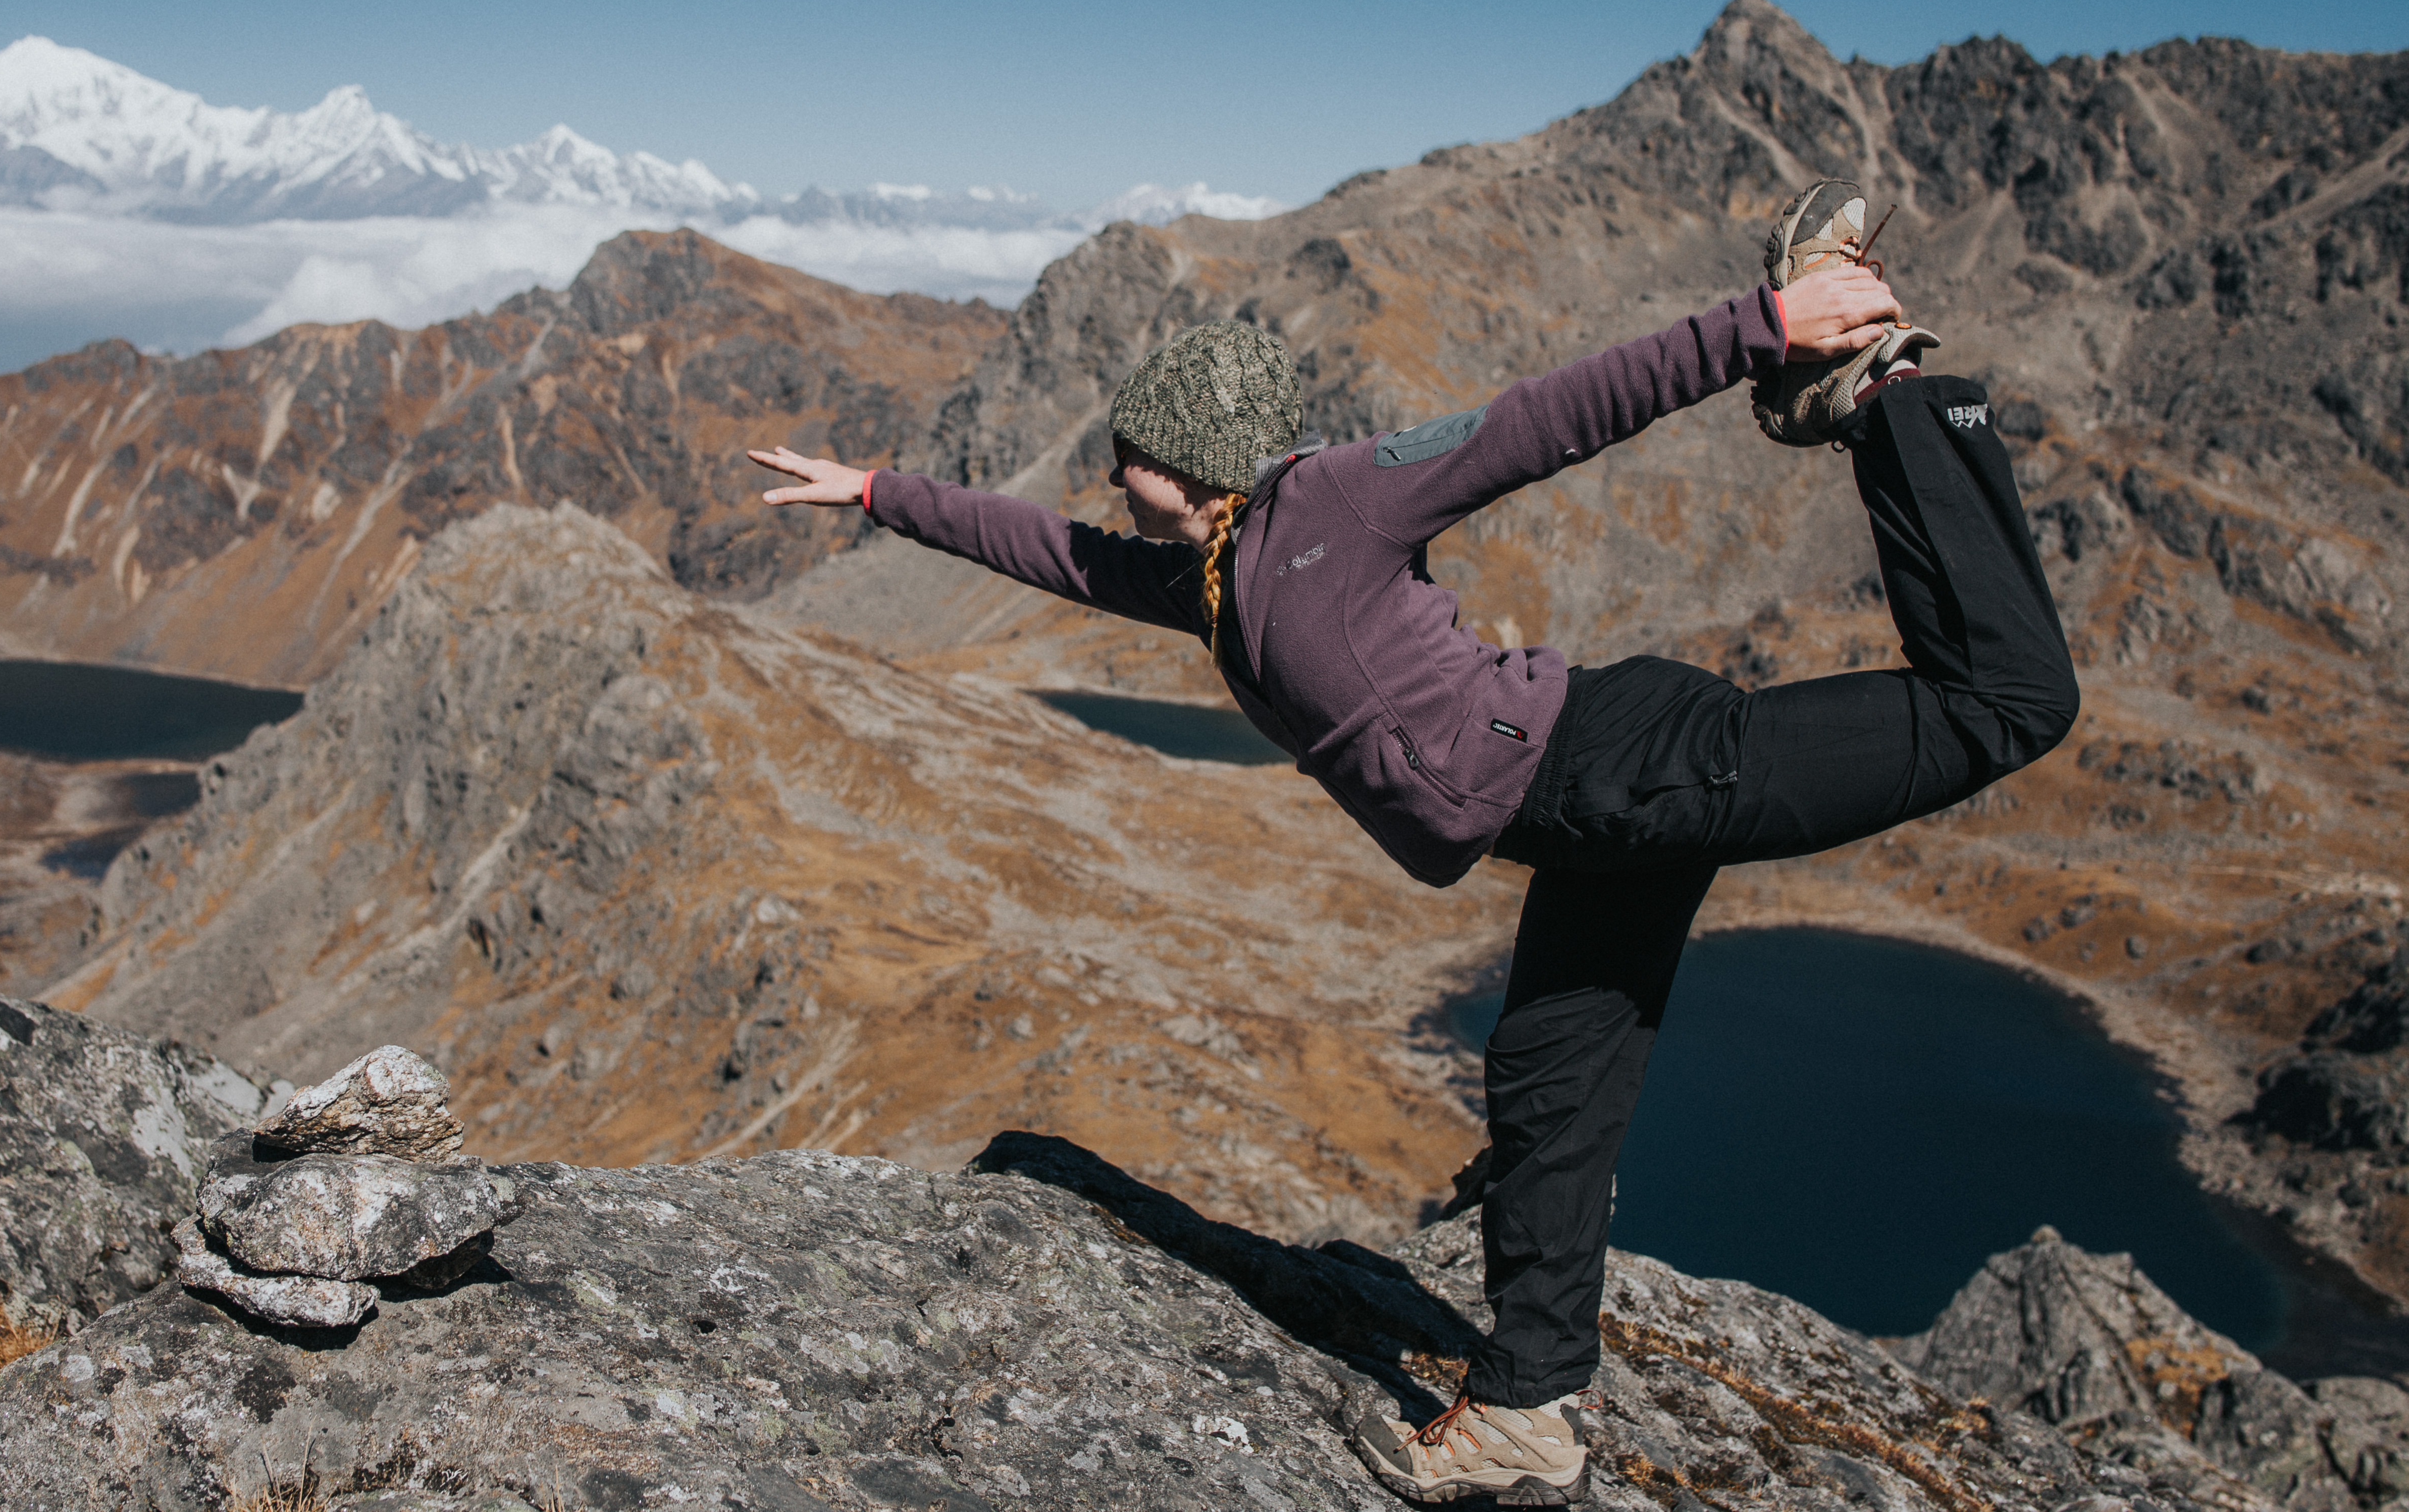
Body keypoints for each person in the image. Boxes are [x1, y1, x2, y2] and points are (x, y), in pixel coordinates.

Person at [748, 179, 2079, 1504]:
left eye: (1130, 459)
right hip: (1587, 819)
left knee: (2007, 703)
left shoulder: (1338, 499)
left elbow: (1547, 420)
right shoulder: (1206, 575)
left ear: (1199, 465)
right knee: (1548, 1081)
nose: (1111, 482)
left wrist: (1765, 324)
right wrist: (873, 489)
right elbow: (1052, 553)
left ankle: (1884, 392)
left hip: (1638, 765)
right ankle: (1530, 1408)